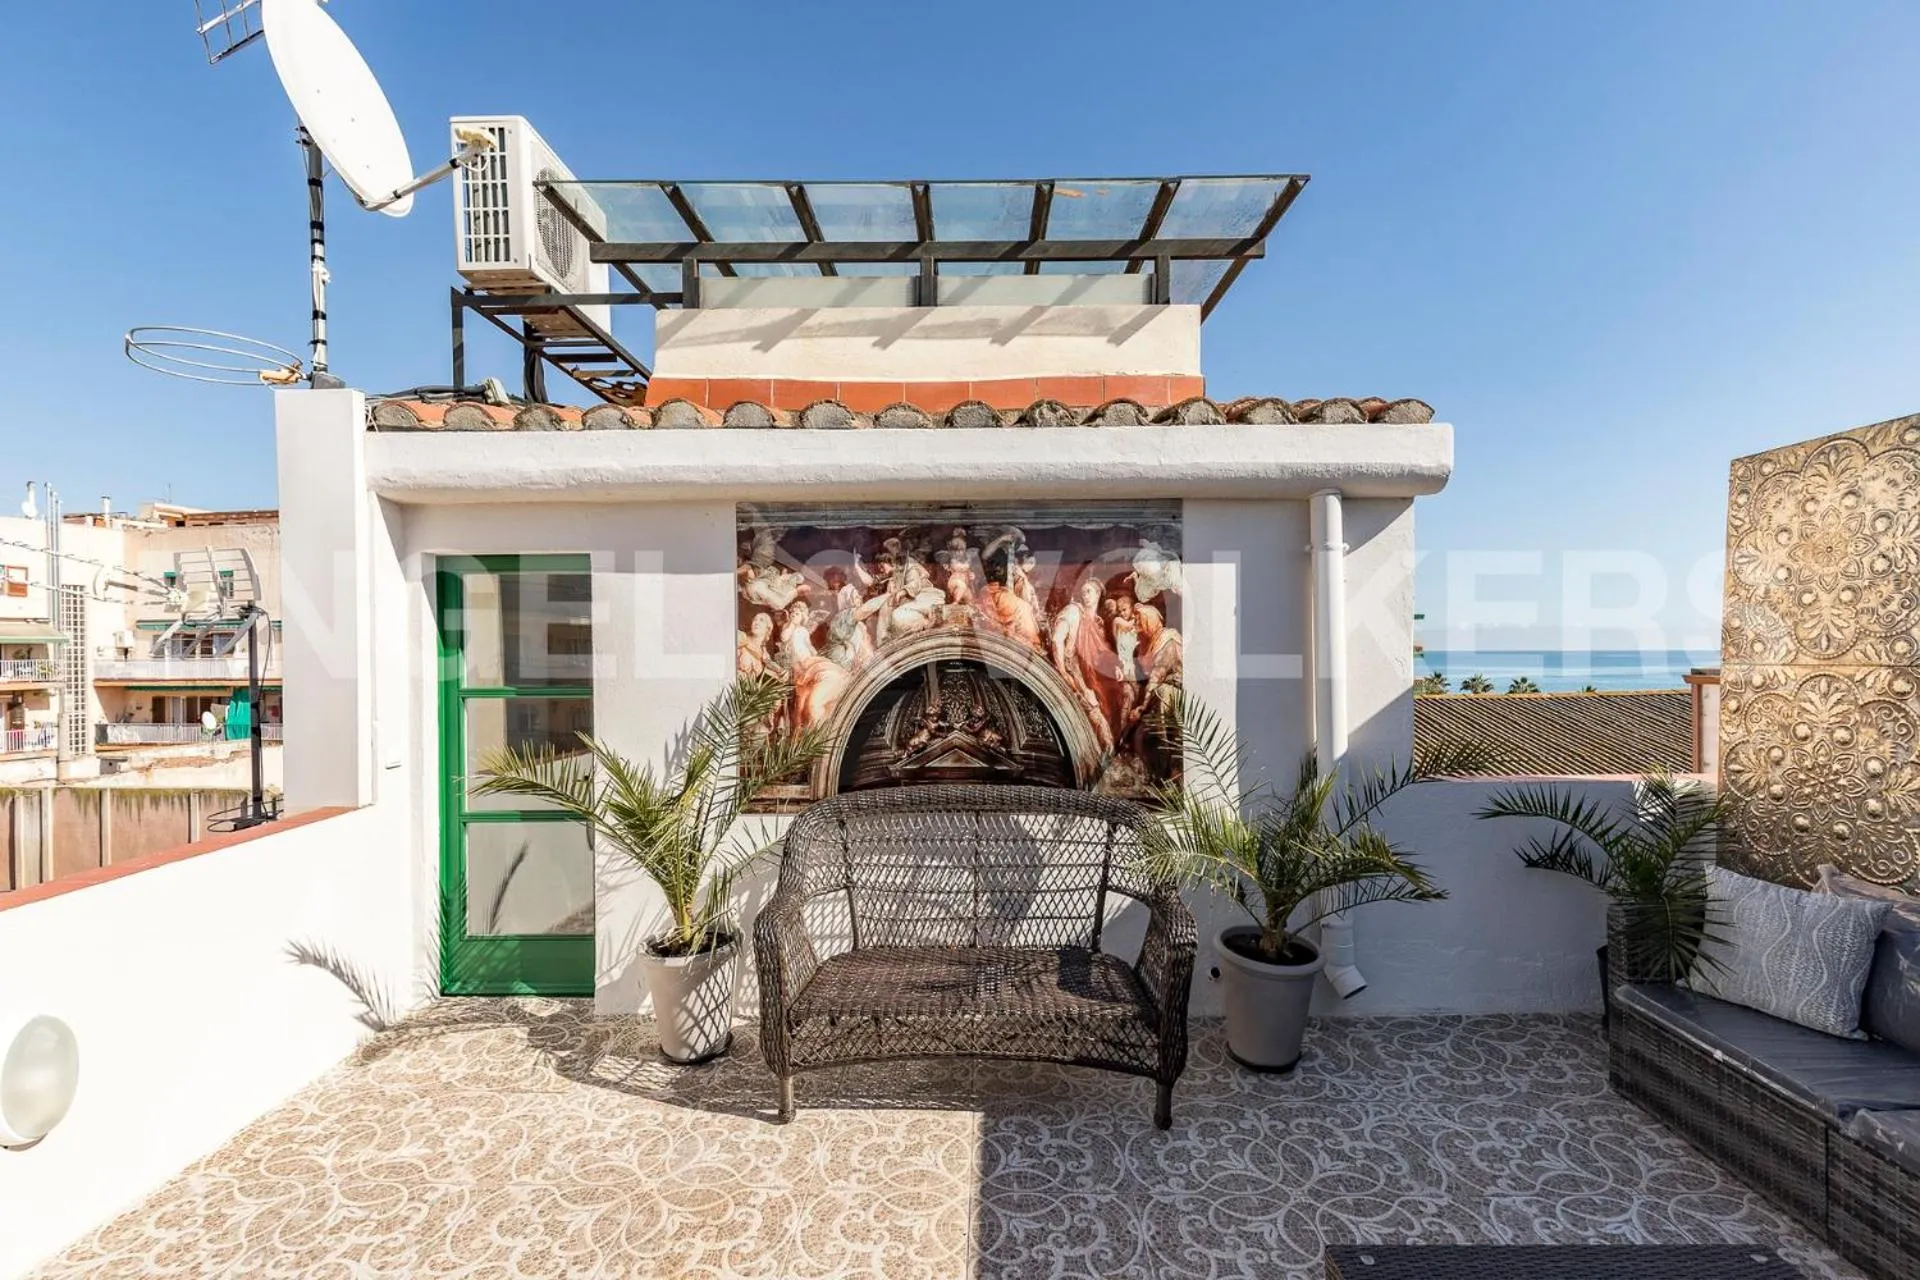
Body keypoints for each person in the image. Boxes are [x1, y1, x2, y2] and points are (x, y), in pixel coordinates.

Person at [1049, 579, 1130, 754]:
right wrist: (1062, 670)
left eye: (1089, 591)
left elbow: (1102, 650)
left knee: (1117, 695)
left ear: (1098, 594)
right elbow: (1057, 640)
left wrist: (1116, 666)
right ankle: (1104, 750)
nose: (1085, 595)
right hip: (1075, 670)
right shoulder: (1073, 611)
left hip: (1094, 672)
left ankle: (1112, 746)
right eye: (1083, 591)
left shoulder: (1098, 622)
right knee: (1093, 708)